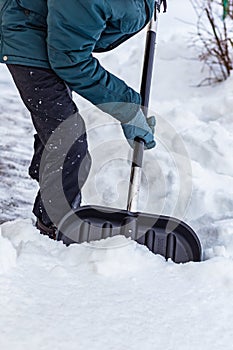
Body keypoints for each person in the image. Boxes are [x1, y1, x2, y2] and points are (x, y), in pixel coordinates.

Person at [0, 0, 156, 239]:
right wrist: (127, 107)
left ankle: (51, 204)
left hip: (52, 33)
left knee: (58, 132)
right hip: (27, 37)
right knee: (68, 142)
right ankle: (53, 227)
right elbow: (70, 61)